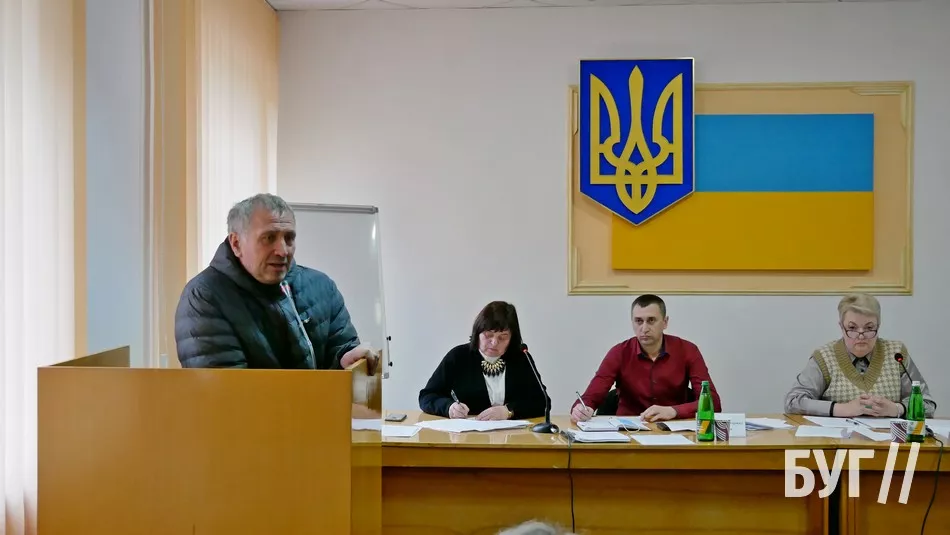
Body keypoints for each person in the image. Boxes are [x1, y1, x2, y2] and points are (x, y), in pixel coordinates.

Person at [174, 193, 378, 372]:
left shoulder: (321, 287)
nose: (282, 251)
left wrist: (347, 362)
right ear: (236, 244)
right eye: (268, 238)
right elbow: (229, 392)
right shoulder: (204, 297)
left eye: (289, 238)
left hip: (322, 406)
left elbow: (341, 356)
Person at [571, 294, 722, 423]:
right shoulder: (619, 352)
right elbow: (591, 396)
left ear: (665, 322)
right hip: (628, 429)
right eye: (638, 321)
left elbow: (713, 403)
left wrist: (673, 411)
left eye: (651, 320)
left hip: (674, 428)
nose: (644, 328)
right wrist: (581, 409)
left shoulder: (687, 350)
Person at [784, 293, 936, 418]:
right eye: (852, 328)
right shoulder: (824, 356)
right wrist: (842, 409)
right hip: (837, 442)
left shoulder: (897, 354)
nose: (861, 336)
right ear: (841, 327)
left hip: (889, 441)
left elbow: (927, 404)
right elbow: (793, 402)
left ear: (878, 326)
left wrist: (897, 409)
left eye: (869, 328)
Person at [419, 301, 549, 421]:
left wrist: (508, 411)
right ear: (478, 333)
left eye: (503, 337)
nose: (494, 342)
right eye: (488, 335)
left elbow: (542, 401)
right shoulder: (458, 356)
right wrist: (449, 407)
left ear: (512, 338)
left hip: (512, 434)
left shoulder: (521, 358)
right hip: (467, 434)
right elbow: (427, 397)